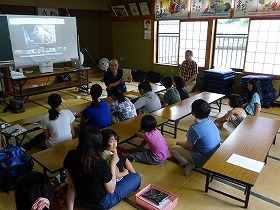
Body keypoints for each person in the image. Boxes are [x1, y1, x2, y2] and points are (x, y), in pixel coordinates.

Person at [64, 126, 141, 210]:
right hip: (102, 203)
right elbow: (111, 190)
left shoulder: (70, 155)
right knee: (136, 177)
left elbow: (71, 186)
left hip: (82, 199)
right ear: (98, 143)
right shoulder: (99, 162)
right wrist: (112, 164)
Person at [170, 99, 220, 176]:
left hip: (203, 160)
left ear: (193, 112)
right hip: (214, 156)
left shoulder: (195, 128)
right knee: (189, 142)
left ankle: (187, 164)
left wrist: (179, 143)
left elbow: (188, 145)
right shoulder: (210, 121)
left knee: (173, 149)